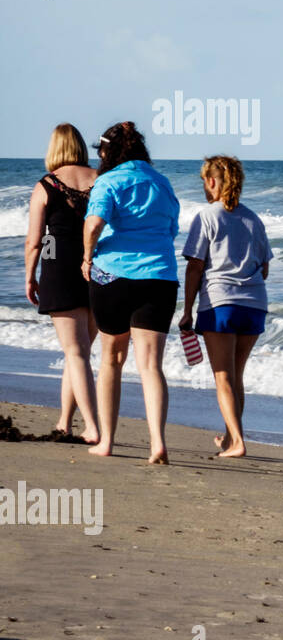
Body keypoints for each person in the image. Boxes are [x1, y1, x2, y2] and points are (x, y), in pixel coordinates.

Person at [81, 122, 180, 463]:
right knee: (151, 365)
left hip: (113, 277)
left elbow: (94, 224)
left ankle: (106, 441)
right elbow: (171, 230)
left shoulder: (108, 181)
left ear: (107, 152)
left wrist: (86, 257)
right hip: (160, 278)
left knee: (112, 358)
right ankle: (157, 443)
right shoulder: (161, 182)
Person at [179, 156, 272, 459]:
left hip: (220, 304)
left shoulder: (207, 216)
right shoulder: (253, 220)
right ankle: (231, 439)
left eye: (205, 180)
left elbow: (195, 267)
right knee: (236, 376)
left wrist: (187, 309)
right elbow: (265, 269)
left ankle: (239, 442)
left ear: (212, 181)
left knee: (222, 377)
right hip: (255, 305)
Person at [24, 124, 99, 442]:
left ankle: (95, 427)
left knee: (76, 352)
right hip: (98, 271)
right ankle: (64, 422)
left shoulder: (47, 185)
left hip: (59, 273)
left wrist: (29, 276)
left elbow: (34, 241)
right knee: (79, 352)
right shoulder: (101, 180)